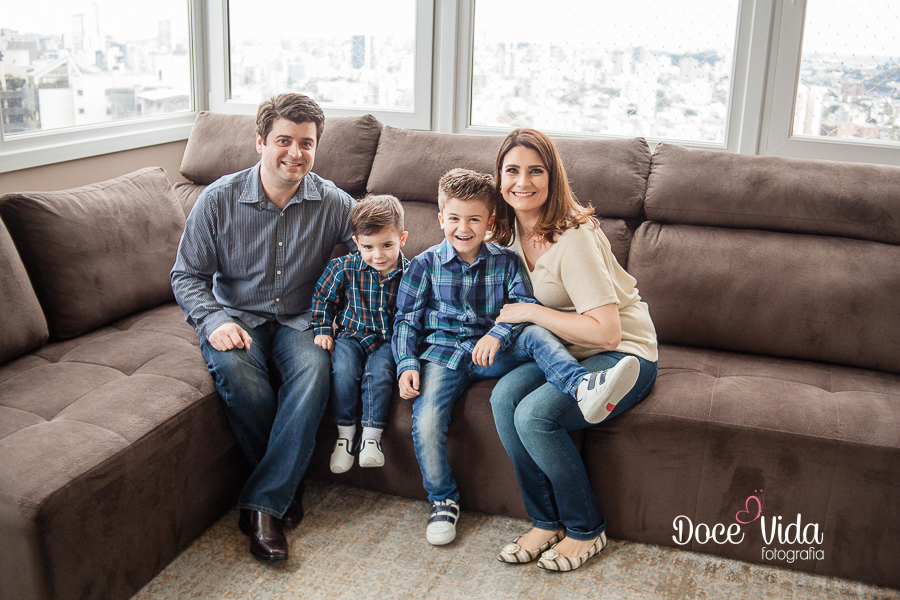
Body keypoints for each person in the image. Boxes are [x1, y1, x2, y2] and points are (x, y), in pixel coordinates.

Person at [392, 168, 640, 547]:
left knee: (536, 332)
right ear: (441, 219)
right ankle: (442, 500)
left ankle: (581, 385)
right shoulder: (424, 265)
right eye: (454, 218)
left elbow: (523, 305)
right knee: (426, 420)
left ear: (490, 223)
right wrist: (407, 364)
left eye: (474, 219)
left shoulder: (504, 261)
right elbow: (406, 320)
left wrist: (496, 333)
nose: (463, 228)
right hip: (441, 356)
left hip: (493, 350)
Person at [170, 93, 356, 562]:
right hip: (237, 317)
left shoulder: (334, 202)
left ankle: (261, 506)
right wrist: (212, 319)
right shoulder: (216, 199)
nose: (296, 153)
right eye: (284, 141)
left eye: (307, 143)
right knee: (237, 375)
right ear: (260, 142)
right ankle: (281, 491)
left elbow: (380, 252)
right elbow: (186, 275)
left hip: (301, 319)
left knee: (315, 373)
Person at [488, 128, 659, 572]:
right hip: (562, 352)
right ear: (499, 176)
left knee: (534, 415)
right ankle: (546, 521)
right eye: (512, 170)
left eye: (535, 171)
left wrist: (530, 314)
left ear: (553, 177)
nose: (521, 182)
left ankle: (587, 528)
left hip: (623, 354)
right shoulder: (504, 235)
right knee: (504, 397)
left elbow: (605, 333)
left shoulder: (573, 238)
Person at [310, 195, 409, 474]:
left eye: (387, 245)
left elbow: (414, 314)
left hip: (386, 341)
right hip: (350, 335)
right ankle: (344, 438)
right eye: (368, 247)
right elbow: (322, 298)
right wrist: (322, 330)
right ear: (356, 243)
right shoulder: (344, 267)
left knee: (378, 376)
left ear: (402, 239)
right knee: (342, 370)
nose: (378, 255)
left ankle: (371, 440)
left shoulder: (411, 273)